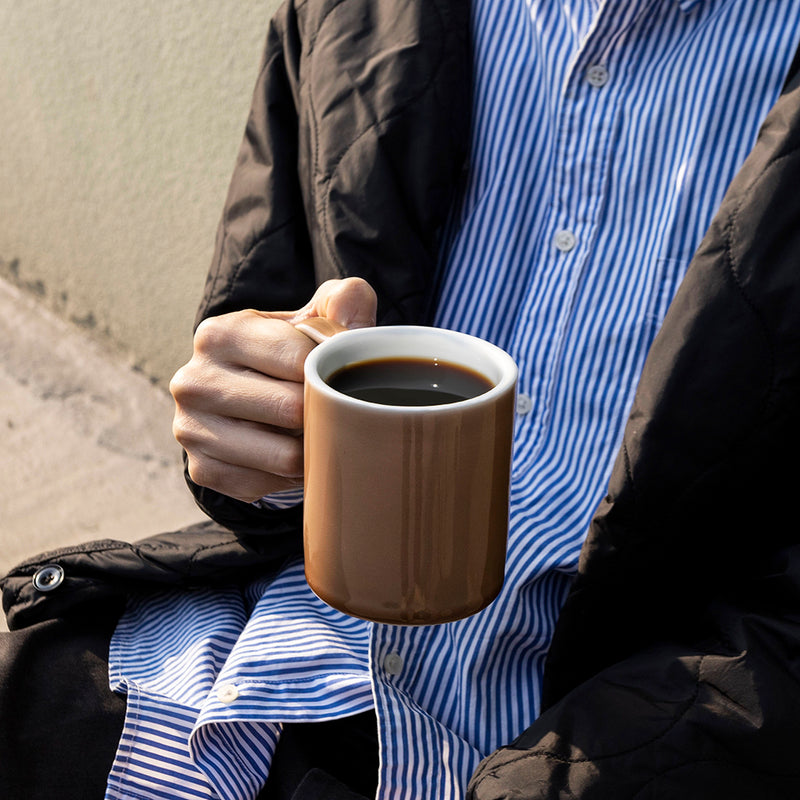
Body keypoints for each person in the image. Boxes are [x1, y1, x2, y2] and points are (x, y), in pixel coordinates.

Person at [3, 1, 800, 798]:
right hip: (254, 650)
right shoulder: (352, 14)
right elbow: (264, 332)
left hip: (610, 738)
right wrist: (248, 434)